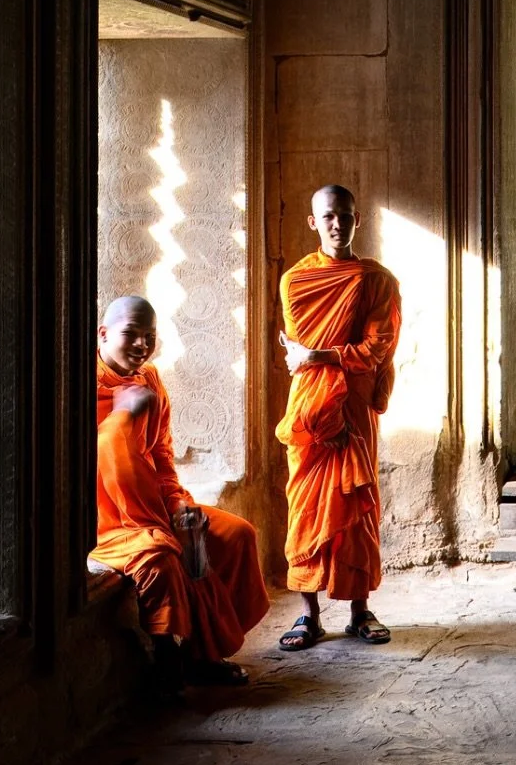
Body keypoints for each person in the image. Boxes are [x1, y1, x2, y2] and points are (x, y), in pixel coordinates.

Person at [91, 295, 270, 690]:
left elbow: (161, 455)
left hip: (153, 505)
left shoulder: (150, 381)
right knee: (163, 558)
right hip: (106, 518)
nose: (141, 345)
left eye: (149, 336)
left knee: (236, 535)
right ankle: (171, 660)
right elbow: (92, 455)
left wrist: (179, 504)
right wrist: (123, 416)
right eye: (130, 334)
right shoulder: (80, 384)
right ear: (103, 334)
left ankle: (203, 651)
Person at [276, 185, 401, 650]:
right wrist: (320, 358)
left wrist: (320, 355)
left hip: (355, 406)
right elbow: (298, 353)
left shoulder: (377, 280)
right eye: (328, 217)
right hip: (311, 410)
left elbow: (375, 348)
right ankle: (307, 615)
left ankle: (360, 610)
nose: (337, 225)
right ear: (313, 222)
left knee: (356, 509)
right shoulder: (296, 281)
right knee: (305, 508)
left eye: (345, 217)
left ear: (357, 219)